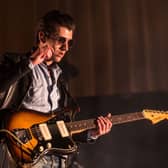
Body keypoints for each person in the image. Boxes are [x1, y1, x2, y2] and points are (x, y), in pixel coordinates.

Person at [0, 10, 112, 168]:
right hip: (27, 157)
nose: (66, 48)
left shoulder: (61, 80)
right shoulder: (16, 63)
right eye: (61, 40)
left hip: (57, 159)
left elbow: (60, 127)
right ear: (42, 37)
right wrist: (29, 63)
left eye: (69, 43)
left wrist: (92, 133)